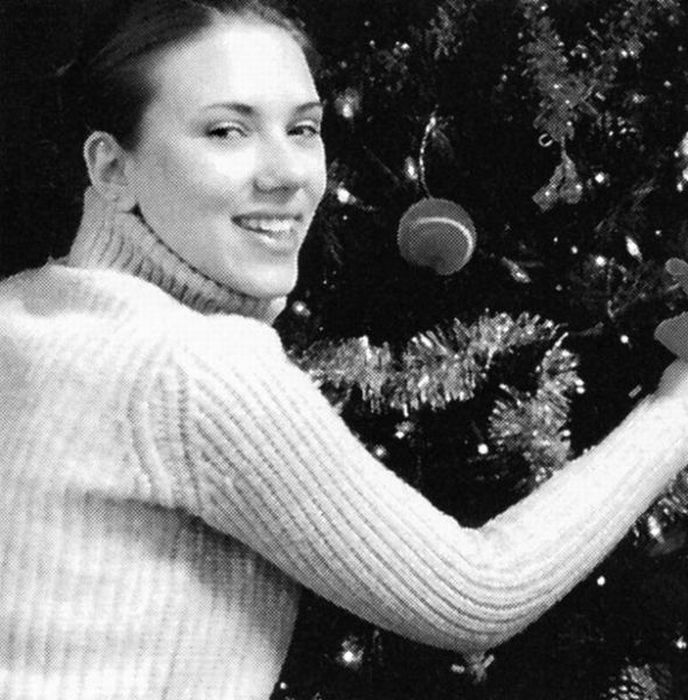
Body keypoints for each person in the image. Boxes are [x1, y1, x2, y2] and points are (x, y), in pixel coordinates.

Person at [1, 1, 688, 697]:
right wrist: (676, 410)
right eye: (226, 130)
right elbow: (481, 594)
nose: (288, 175)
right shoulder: (189, 368)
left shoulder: (25, 308)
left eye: (303, 129)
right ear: (112, 169)